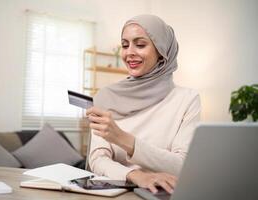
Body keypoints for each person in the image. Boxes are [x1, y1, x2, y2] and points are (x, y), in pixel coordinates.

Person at [86, 14, 201, 194]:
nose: (129, 52)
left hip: (161, 195)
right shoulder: (104, 97)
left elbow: (182, 166)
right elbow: (98, 158)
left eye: (140, 44)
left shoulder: (187, 99)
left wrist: (123, 139)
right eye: (125, 45)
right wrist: (136, 175)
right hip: (115, 194)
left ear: (162, 50)